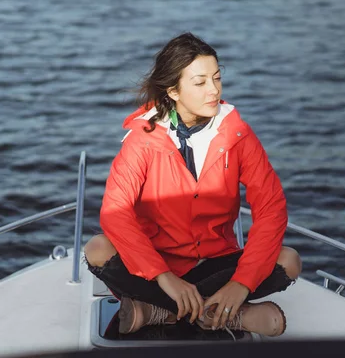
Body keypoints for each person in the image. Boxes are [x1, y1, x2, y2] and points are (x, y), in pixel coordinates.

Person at [84, 32, 302, 337]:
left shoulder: (238, 135)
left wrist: (241, 283)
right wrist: (162, 275)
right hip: (157, 266)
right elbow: (115, 214)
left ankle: (157, 312)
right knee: (97, 248)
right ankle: (223, 315)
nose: (213, 90)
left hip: (216, 263)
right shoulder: (142, 140)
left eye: (216, 78)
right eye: (200, 83)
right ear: (173, 91)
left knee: (289, 260)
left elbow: (271, 208)